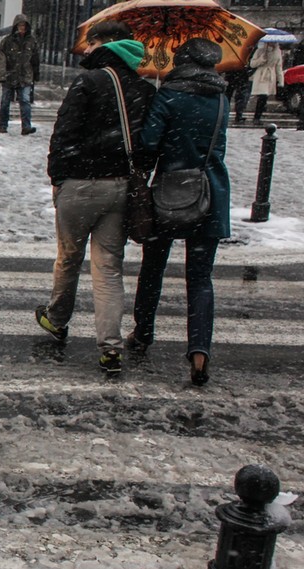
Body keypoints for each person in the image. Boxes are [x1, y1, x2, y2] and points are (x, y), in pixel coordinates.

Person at [37, 20, 156, 375]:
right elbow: (148, 146)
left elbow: (63, 134)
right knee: (108, 269)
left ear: (108, 44)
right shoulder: (145, 89)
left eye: (92, 42)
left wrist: (58, 177)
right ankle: (111, 346)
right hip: (119, 186)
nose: (86, 49)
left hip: (79, 183)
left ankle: (57, 319)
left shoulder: (88, 82)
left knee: (69, 257)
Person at [128, 38, 230, 386]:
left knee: (153, 266)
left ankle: (143, 332)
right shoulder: (221, 97)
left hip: (171, 193)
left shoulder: (169, 95)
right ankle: (200, 352)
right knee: (200, 278)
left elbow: (149, 145)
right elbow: (219, 145)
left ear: (182, 60)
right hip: (210, 192)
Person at [0, 14, 40, 135]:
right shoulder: (7, 42)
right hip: (9, 76)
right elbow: (2, 60)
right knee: (5, 102)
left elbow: (35, 59)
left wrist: (35, 74)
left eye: (24, 25)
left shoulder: (31, 41)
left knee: (25, 101)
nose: (22, 28)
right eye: (20, 25)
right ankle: (3, 125)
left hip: (25, 76)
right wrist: (2, 75)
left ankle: (26, 126)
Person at [248, 41, 284, 124]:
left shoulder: (278, 52)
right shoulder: (260, 50)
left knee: (264, 97)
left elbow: (279, 67)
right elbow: (252, 64)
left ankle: (258, 115)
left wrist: (280, 81)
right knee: (262, 96)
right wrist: (261, 60)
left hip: (270, 76)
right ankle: (257, 117)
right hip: (261, 75)